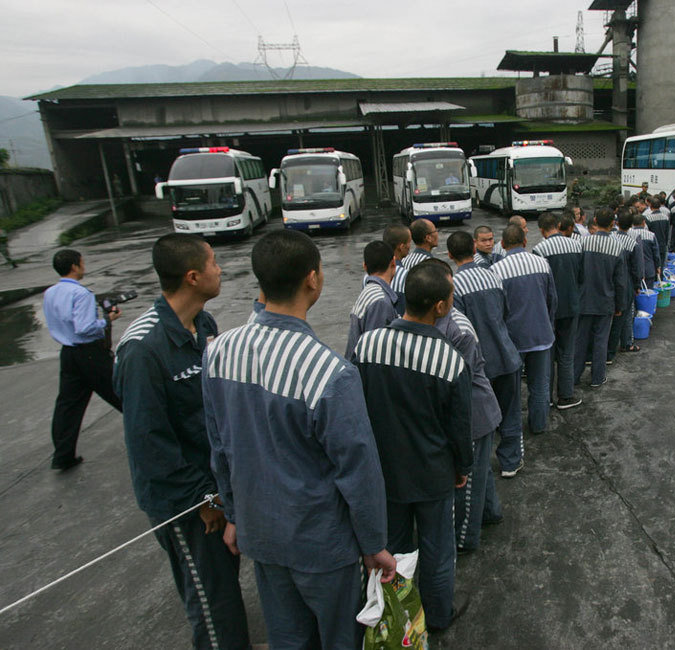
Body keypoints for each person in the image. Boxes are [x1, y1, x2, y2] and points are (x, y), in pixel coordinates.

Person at [202, 230, 395, 648]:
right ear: (313, 279)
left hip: (262, 536)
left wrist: (234, 513)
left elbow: (220, 447)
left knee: (288, 637)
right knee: (341, 638)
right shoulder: (330, 373)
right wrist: (374, 544)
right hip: (322, 544)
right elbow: (358, 471)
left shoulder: (219, 352)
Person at [113, 234, 250, 649]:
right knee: (210, 596)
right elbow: (149, 444)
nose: (220, 269)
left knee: (225, 582)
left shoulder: (203, 324)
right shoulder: (143, 350)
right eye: (213, 263)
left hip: (213, 488)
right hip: (184, 502)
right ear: (193, 277)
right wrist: (202, 500)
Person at [352, 263, 474, 632]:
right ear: (439, 306)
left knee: (395, 548)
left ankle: (396, 615)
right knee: (438, 550)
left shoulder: (367, 345)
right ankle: (437, 616)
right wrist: (462, 468)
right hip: (433, 474)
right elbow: (459, 426)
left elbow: (355, 408)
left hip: (384, 472)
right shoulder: (449, 361)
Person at [422, 259, 503, 554]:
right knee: (482, 471)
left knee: (467, 484)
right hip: (470, 412)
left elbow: (460, 385)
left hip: (474, 413)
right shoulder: (436, 321)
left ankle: (465, 539)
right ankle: (492, 512)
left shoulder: (458, 329)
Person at [445, 231, 523, 483]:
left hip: (479, 364)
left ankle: (482, 471)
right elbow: (506, 312)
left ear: (449, 255)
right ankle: (510, 461)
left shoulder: (454, 287)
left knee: (481, 419)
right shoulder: (494, 276)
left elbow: (457, 328)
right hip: (507, 355)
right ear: (474, 248)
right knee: (511, 412)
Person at [42, 249, 122, 470]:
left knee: (68, 405)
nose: (84, 266)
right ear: (75, 266)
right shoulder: (81, 294)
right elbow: (85, 328)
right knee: (122, 393)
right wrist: (107, 320)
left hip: (68, 353)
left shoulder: (50, 293)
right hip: (90, 353)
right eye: (82, 263)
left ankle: (62, 455)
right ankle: (156, 434)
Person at [493, 223, 558, 441]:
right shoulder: (542, 264)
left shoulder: (496, 271)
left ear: (502, 244)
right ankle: (538, 425)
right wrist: (547, 324)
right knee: (539, 385)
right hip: (541, 335)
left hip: (513, 340)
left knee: (510, 389)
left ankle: (510, 431)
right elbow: (552, 300)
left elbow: (497, 309)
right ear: (524, 242)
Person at [532, 212, 584, 410]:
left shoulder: (539, 250)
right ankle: (566, 396)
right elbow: (581, 277)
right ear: (559, 224)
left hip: (549, 311)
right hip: (571, 306)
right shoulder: (576, 245)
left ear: (542, 230)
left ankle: (547, 398)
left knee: (548, 355)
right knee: (566, 353)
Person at [574, 209, 627, 388]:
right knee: (600, 341)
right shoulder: (617, 247)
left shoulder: (583, 242)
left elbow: (577, 271)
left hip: (584, 300)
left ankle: (573, 377)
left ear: (595, 221)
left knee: (580, 340)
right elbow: (620, 282)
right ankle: (597, 378)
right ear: (613, 224)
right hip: (606, 302)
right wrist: (620, 305)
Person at [345, 241, 399, 359]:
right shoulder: (380, 302)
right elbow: (376, 353)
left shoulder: (368, 292)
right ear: (393, 263)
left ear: (365, 266)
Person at [609, 208, 643, 358]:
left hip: (609, 282)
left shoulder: (610, 238)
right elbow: (637, 268)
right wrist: (637, 286)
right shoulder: (632, 243)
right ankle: (623, 344)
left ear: (616, 223)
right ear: (631, 226)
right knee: (625, 314)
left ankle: (612, 344)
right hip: (626, 282)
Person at [383, 224, 411, 314]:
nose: (410, 246)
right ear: (401, 247)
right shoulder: (405, 275)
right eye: (409, 242)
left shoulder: (369, 275)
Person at [629, 212, 662, 288]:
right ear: (644, 223)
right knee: (648, 292)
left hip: (633, 270)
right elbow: (656, 254)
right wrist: (658, 266)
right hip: (649, 269)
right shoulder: (651, 235)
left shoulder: (629, 235)